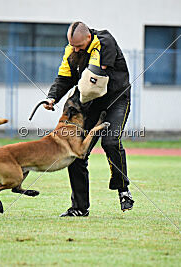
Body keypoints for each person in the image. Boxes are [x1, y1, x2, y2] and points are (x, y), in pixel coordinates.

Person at [44, 21, 134, 217]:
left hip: (116, 100)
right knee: (77, 153)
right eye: (72, 46)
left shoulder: (105, 41)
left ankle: (123, 190)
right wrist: (52, 97)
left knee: (110, 142)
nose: (75, 49)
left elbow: (95, 79)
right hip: (92, 103)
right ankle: (79, 207)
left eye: (78, 46)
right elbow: (64, 78)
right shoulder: (71, 50)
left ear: (88, 37)